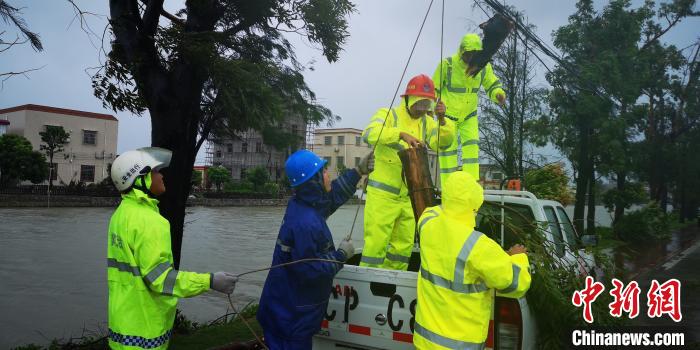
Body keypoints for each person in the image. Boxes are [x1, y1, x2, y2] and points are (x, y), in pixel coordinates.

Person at [107, 147, 238, 350]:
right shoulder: (150, 221)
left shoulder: (121, 215)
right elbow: (161, 280)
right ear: (140, 179)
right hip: (144, 332)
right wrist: (210, 281)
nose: (161, 176)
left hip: (122, 326)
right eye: (156, 172)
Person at [257, 149, 373, 349]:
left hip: (285, 310)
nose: (329, 174)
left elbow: (331, 198)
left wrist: (357, 171)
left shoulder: (303, 205)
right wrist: (341, 255)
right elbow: (311, 270)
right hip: (291, 319)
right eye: (325, 171)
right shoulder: (306, 223)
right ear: (314, 180)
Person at [414, 171, 531, 349]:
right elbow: (517, 284)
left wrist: (449, 201)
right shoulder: (479, 246)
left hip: (423, 343)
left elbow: (433, 211)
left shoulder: (427, 225)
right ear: (476, 202)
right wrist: (518, 257)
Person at [360, 74, 455, 270]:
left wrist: (443, 119)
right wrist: (401, 134)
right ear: (409, 99)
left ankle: (392, 288)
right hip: (382, 197)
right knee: (375, 246)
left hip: (409, 197)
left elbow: (443, 143)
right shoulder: (389, 115)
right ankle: (367, 287)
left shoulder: (426, 122)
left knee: (402, 248)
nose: (422, 109)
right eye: (419, 103)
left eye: (426, 105)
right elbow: (369, 134)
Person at [433, 33, 506, 184]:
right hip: (447, 117)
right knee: (448, 151)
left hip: (469, 116)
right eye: (468, 54)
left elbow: (492, 84)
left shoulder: (483, 67)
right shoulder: (447, 65)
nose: (470, 57)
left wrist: (498, 94)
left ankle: (471, 184)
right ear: (462, 51)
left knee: (472, 147)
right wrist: (432, 109)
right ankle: (448, 185)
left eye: (474, 54)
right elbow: (433, 89)